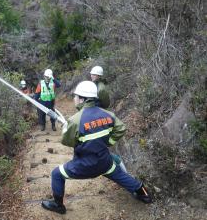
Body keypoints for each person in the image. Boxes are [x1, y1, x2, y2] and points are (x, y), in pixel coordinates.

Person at [41, 81, 152, 214]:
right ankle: (144, 195)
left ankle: (58, 205)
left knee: (56, 174)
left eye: (76, 96)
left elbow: (67, 142)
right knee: (118, 171)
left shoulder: (75, 120)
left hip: (84, 166)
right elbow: (121, 128)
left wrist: (66, 129)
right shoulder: (107, 114)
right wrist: (108, 142)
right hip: (105, 162)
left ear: (82, 99)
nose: (74, 99)